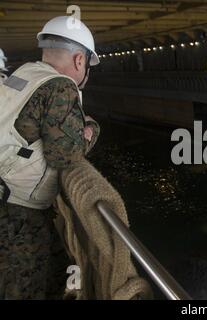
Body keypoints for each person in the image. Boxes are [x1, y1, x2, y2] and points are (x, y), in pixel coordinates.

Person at [0, 16, 100, 299]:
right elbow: (65, 156)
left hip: (6, 199)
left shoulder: (24, 74)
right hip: (17, 214)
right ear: (80, 60)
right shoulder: (61, 86)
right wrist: (91, 130)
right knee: (24, 289)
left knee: (54, 269)